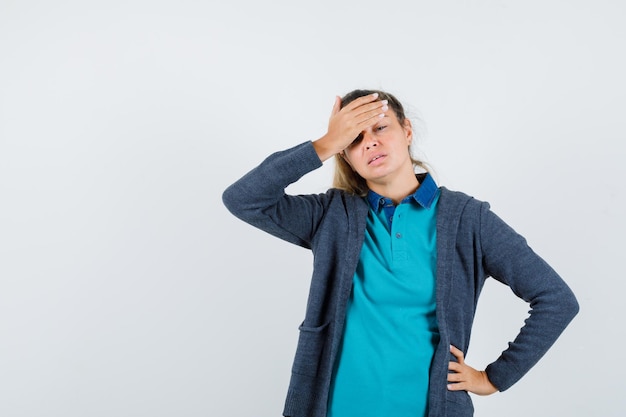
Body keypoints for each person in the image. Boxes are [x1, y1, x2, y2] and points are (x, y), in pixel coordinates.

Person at [222, 89, 579, 417]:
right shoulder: (331, 216)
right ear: (345, 155)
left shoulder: (469, 220)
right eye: (355, 138)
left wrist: (494, 378)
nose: (370, 143)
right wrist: (326, 142)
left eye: (380, 127)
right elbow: (243, 199)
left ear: (407, 131)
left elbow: (556, 299)